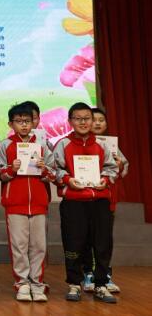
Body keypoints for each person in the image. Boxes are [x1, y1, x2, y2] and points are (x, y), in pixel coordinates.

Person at [53, 102, 118, 304]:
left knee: (102, 243)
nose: (83, 122)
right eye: (78, 118)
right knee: (73, 242)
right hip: (74, 202)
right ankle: (74, 283)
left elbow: (112, 168)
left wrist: (104, 180)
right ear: (70, 121)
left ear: (92, 120)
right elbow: (55, 169)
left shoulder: (102, 144)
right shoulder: (63, 144)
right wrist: (67, 180)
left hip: (99, 201)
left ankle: (101, 284)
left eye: (87, 118)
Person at [0, 103, 55, 302]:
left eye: (27, 121)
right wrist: (11, 169)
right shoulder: (5, 145)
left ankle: (37, 283)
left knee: (38, 245)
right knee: (19, 245)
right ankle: (22, 283)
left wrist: (44, 169)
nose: (23, 125)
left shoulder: (42, 146)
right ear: (10, 124)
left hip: (38, 203)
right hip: (15, 203)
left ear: (34, 123)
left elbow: (53, 173)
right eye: (19, 121)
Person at [82, 107, 129, 293]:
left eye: (101, 120)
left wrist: (119, 165)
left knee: (104, 240)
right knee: (86, 237)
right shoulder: (81, 144)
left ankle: (105, 275)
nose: (97, 123)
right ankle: (88, 273)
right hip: (85, 199)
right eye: (94, 120)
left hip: (107, 200)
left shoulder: (112, 146)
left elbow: (123, 169)